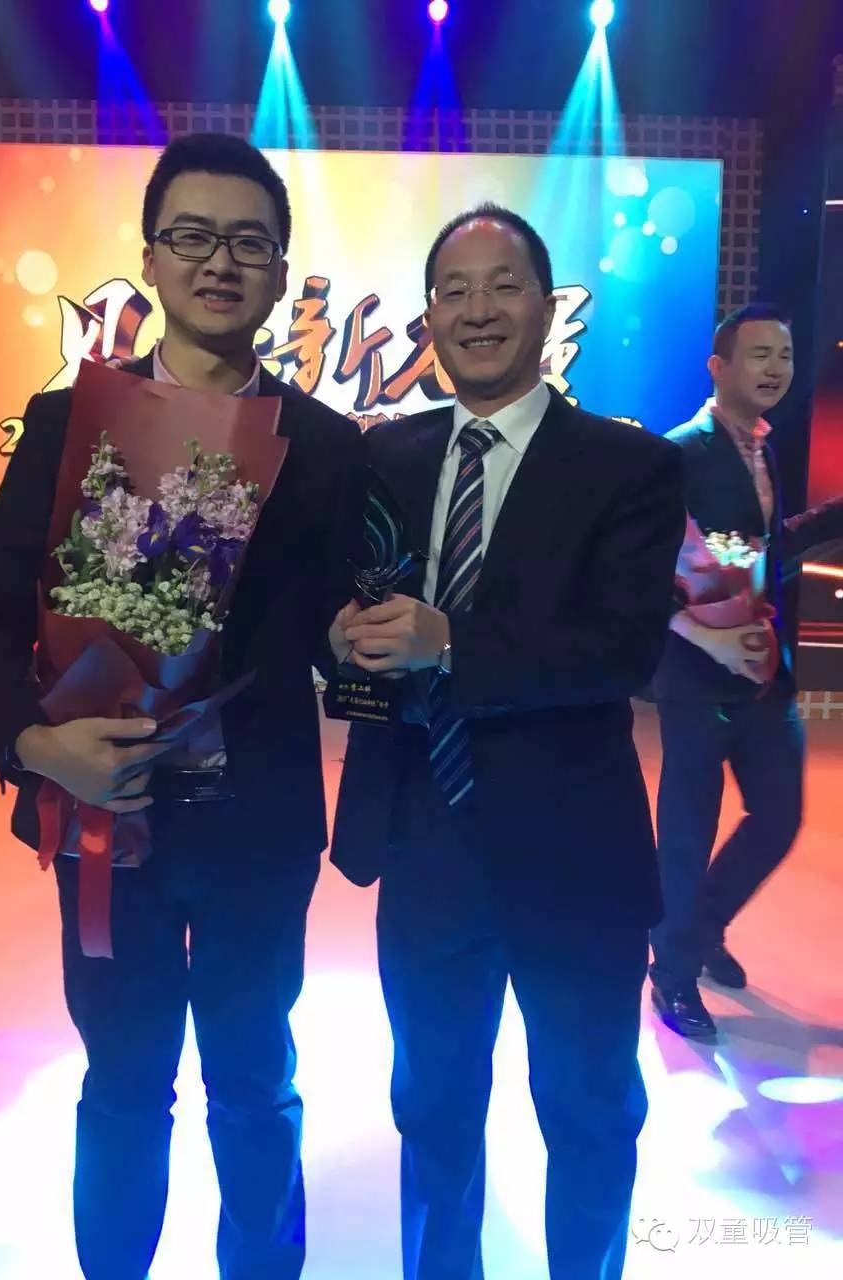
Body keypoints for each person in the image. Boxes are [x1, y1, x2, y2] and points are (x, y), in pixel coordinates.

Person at [0, 133, 361, 1280]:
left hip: (258, 826)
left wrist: (354, 640)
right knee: (124, 1082)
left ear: (279, 272)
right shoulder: (66, 423)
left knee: (255, 1079)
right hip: (107, 821)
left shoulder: (329, 450)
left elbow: (332, 623)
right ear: (150, 258)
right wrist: (38, 745)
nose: (219, 262)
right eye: (193, 235)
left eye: (249, 243)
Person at [328, 203, 685, 1280]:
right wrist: (336, 638)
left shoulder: (628, 465)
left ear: (546, 305)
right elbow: (348, 603)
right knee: (432, 1107)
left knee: (589, 1109)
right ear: (430, 314)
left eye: (502, 285)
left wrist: (448, 642)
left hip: (574, 852)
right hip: (425, 840)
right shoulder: (385, 455)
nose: (476, 309)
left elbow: (620, 650)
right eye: (453, 290)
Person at [649, 303, 843, 1039]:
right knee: (688, 830)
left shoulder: (763, 447)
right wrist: (703, 633)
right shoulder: (679, 453)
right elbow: (642, 569)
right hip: (695, 672)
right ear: (718, 366)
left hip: (763, 668)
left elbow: (758, 551)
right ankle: (671, 974)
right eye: (759, 354)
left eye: (784, 356)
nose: (775, 369)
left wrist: (833, 517)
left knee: (779, 815)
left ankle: (701, 929)